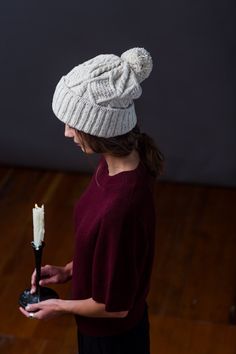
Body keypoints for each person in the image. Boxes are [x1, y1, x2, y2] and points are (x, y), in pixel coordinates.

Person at [19, 47, 164, 354]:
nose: (67, 132)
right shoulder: (114, 165)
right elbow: (111, 256)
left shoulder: (123, 205)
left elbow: (116, 307)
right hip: (100, 331)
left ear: (100, 129)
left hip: (113, 342)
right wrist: (70, 270)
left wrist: (59, 306)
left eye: (74, 123)